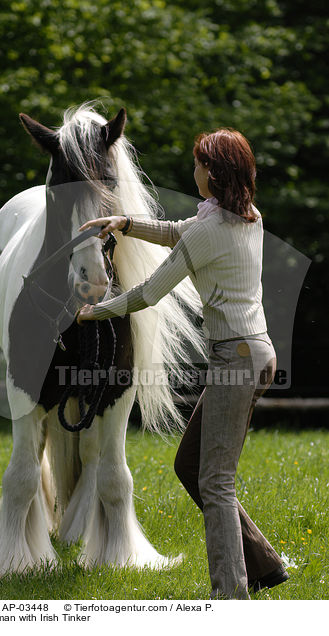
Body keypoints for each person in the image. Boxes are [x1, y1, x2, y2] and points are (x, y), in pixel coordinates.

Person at [76, 128, 289, 599]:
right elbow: (177, 233)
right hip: (252, 354)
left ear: (212, 172)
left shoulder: (210, 230)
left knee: (214, 481)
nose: (192, 171)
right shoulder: (244, 218)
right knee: (190, 464)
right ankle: (264, 564)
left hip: (235, 358)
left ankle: (229, 597)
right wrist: (124, 222)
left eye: (197, 163)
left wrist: (94, 311)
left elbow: (149, 293)